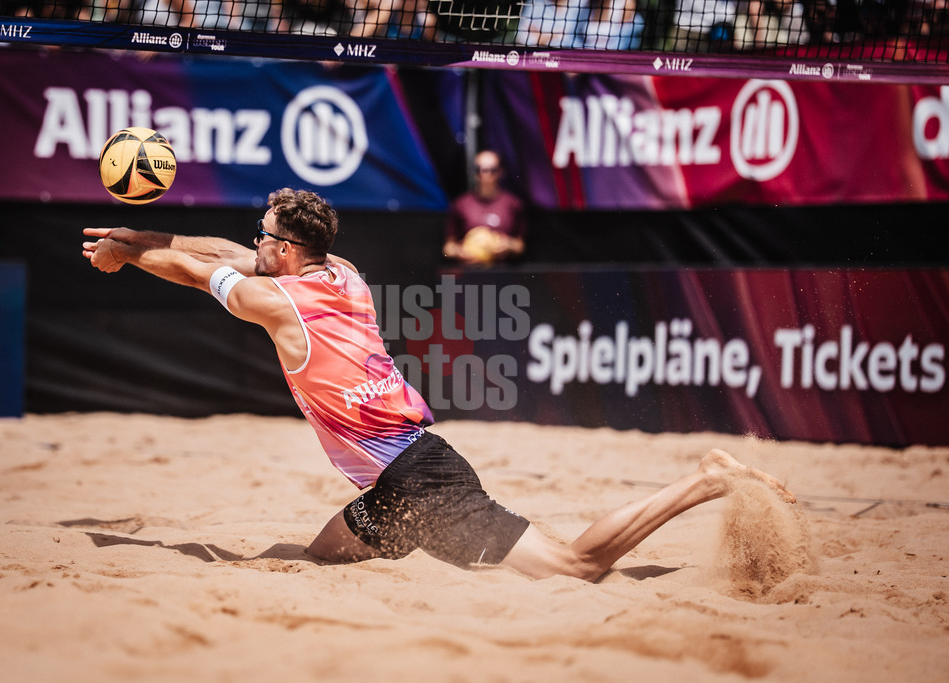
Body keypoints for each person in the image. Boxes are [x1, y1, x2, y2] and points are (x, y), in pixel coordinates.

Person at [82, 187, 795, 581]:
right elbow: (228, 251)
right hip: (394, 484)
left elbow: (201, 267)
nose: (255, 241)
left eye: (266, 235)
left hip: (427, 483)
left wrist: (129, 253)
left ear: (289, 251)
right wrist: (131, 233)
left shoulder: (276, 303)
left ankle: (705, 479)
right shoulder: (344, 273)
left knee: (576, 567)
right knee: (314, 560)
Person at [443, 150, 527, 266]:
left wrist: (508, 245)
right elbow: (448, 248)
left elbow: (520, 246)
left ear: (500, 172)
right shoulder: (461, 204)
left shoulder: (512, 204)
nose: (485, 174)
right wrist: (460, 252)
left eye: (492, 170)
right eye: (480, 170)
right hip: (470, 273)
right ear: (475, 173)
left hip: (503, 273)